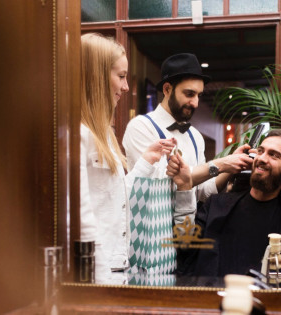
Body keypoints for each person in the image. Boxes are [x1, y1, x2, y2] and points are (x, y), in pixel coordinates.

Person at [79, 33, 178, 284]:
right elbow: (82, 217)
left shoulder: (104, 135)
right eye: (121, 76)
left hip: (115, 269)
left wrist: (146, 161)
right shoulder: (80, 135)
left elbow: (116, 201)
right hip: (98, 275)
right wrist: (101, 286)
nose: (126, 87)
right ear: (96, 77)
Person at [167, 129, 281, 289]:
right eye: (261, 151)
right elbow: (185, 248)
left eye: (273, 155)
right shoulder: (217, 206)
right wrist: (184, 186)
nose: (262, 158)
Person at [122, 53, 254, 202]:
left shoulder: (195, 136)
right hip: (153, 224)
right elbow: (160, 185)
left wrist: (231, 166)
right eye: (189, 94)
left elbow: (203, 191)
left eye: (199, 95)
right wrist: (221, 163)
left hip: (188, 225)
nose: (195, 103)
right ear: (167, 89)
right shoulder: (141, 127)